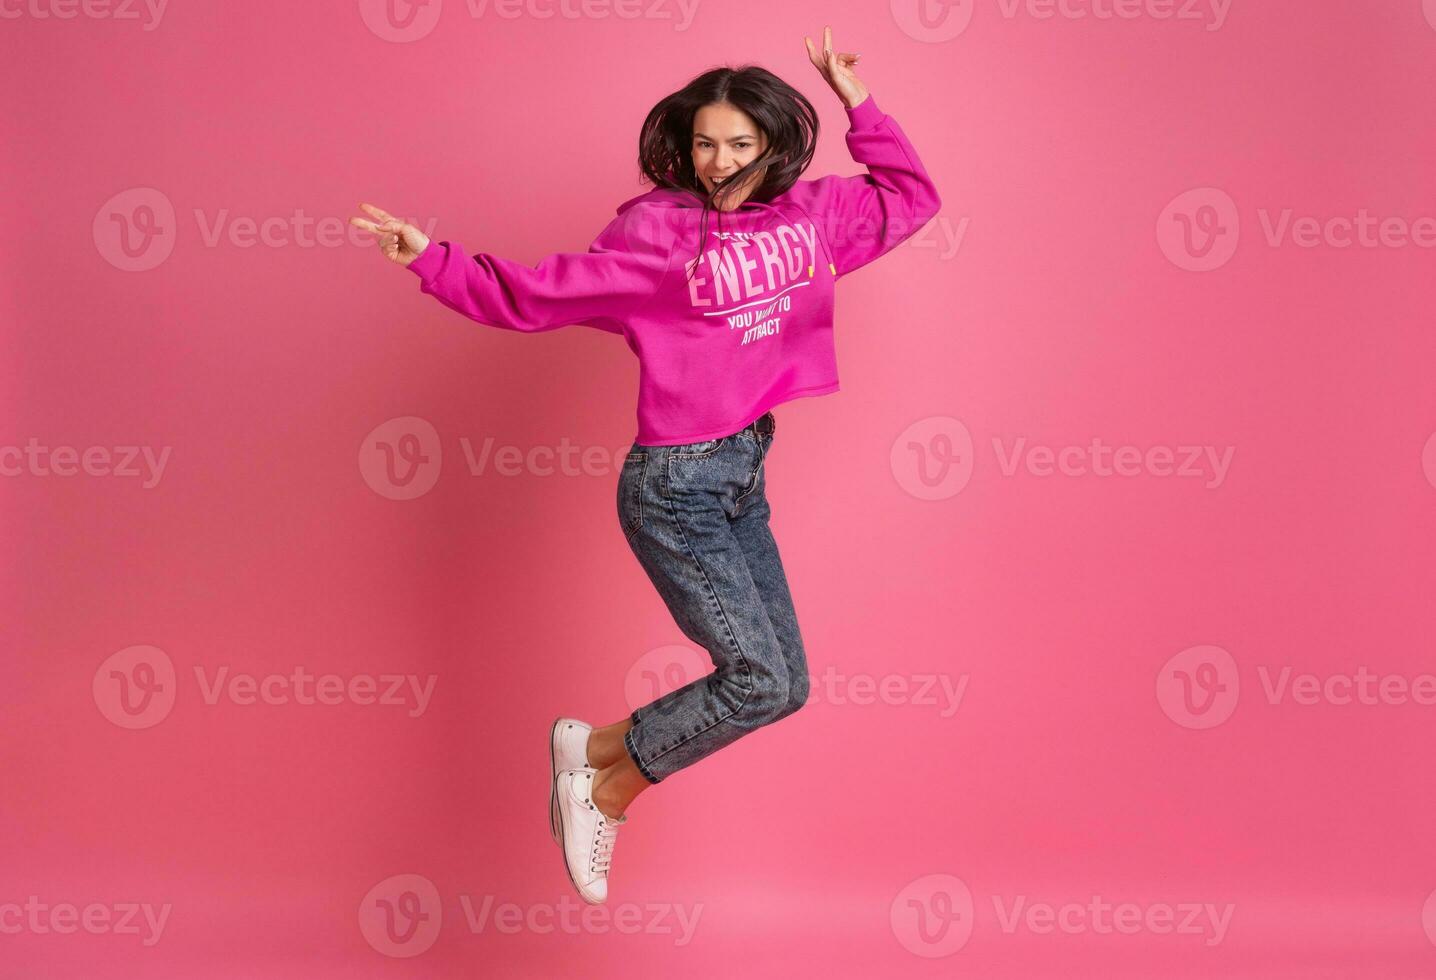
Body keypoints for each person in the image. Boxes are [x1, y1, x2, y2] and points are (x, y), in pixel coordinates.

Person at [350, 26, 941, 905]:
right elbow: (537, 295)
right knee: (760, 681)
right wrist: (431, 261)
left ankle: (589, 750)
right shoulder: (657, 234)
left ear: (775, 145)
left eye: (740, 143)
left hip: (742, 474)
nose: (718, 161)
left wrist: (859, 100)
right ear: (683, 145)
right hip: (677, 488)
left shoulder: (811, 220)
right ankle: (608, 786)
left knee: (786, 687)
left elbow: (911, 197)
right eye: (704, 143)